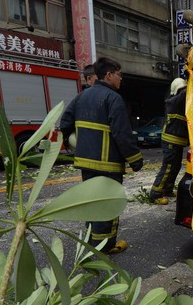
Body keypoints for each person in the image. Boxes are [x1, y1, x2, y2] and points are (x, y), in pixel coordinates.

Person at [59, 57, 143, 254]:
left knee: (92, 203)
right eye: (119, 75)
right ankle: (105, 246)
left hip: (85, 163)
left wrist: (74, 143)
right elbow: (122, 133)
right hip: (108, 165)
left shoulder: (81, 96)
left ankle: (91, 243)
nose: (121, 79)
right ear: (109, 75)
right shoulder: (113, 99)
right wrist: (135, 160)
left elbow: (65, 123)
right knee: (108, 205)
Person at [149, 62, 193, 204]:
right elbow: (189, 93)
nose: (185, 92)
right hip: (171, 140)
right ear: (177, 91)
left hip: (177, 140)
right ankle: (155, 193)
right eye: (182, 90)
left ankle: (167, 189)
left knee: (175, 166)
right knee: (168, 166)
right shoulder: (174, 101)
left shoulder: (182, 102)